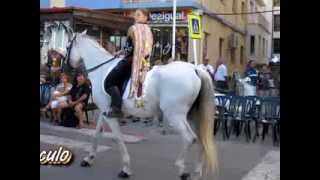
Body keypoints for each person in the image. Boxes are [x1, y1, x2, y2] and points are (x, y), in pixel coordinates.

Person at [104, 9, 153, 118]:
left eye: (138, 15)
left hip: (130, 62)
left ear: (145, 17)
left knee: (109, 82)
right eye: (136, 15)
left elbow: (128, 48)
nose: (135, 17)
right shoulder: (149, 30)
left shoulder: (133, 28)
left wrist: (119, 53)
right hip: (145, 64)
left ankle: (116, 108)